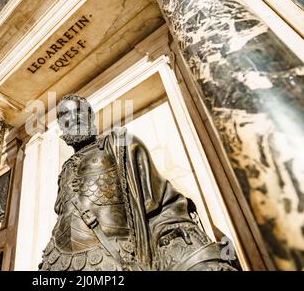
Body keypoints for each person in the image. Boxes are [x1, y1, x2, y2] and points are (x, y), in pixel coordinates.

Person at [39, 94, 236, 271]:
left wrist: (183, 245)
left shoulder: (118, 144)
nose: (73, 119)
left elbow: (162, 205)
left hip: (110, 259)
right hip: (56, 262)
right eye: (65, 115)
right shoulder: (64, 169)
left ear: (90, 115)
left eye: (79, 111)